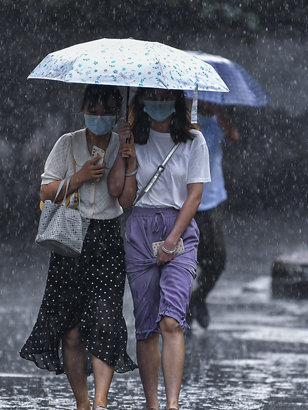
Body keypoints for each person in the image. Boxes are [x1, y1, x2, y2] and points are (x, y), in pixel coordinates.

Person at [21, 85, 137, 410]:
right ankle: (82, 402)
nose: (98, 117)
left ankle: (101, 401)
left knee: (106, 321)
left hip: (107, 241)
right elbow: (46, 191)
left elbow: (126, 199)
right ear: (83, 108)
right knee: (70, 331)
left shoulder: (121, 144)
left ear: (116, 112)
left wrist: (128, 155)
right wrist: (80, 176)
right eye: (93, 109)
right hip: (71, 239)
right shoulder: (67, 143)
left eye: (105, 111)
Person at [117, 88, 210, 410]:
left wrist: (172, 239)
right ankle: (152, 404)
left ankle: (173, 404)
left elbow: (194, 196)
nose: (158, 102)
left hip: (180, 230)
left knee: (171, 319)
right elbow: (125, 200)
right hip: (140, 229)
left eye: (164, 95)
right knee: (145, 326)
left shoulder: (194, 141)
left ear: (176, 99)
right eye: (151, 95)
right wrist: (124, 152)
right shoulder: (133, 141)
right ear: (141, 100)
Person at [188, 101, 239, 329]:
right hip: (187, 200)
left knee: (218, 258)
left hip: (213, 199)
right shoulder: (185, 122)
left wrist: (218, 112)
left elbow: (233, 136)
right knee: (189, 258)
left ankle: (198, 298)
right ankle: (183, 310)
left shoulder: (217, 122)